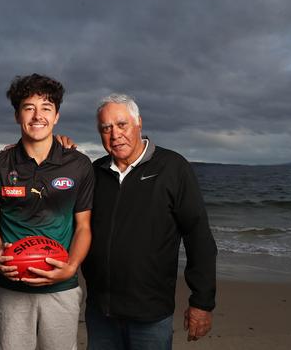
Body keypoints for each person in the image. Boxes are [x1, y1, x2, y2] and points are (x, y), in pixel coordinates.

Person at [82, 94, 217, 350]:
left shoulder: (173, 168)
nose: (115, 135)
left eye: (122, 125)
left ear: (139, 123)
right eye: (106, 128)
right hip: (100, 312)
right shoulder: (94, 172)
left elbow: (198, 237)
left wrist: (202, 301)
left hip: (151, 315)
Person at [0, 73, 94, 350]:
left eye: (46, 108)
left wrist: (70, 268)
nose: (37, 116)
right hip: (12, 288)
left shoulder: (79, 165)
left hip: (61, 288)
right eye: (28, 108)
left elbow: (83, 227)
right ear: (17, 115)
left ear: (56, 116)